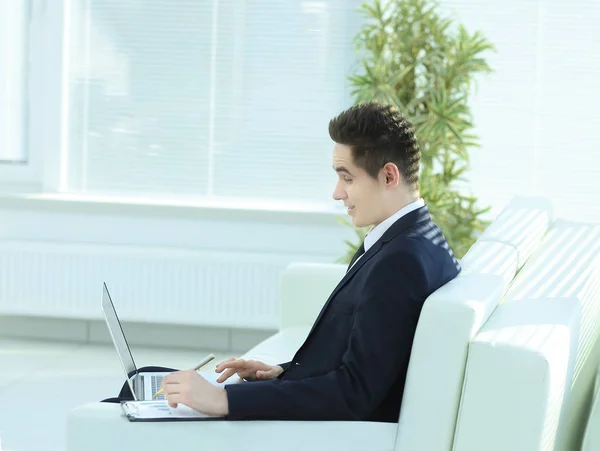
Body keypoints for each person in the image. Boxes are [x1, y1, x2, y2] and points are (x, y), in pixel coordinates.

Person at [104, 102, 461, 422]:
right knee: (145, 383)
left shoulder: (402, 260)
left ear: (388, 176)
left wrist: (224, 400)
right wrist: (279, 373)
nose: (337, 193)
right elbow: (368, 363)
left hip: (321, 428)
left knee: (131, 402)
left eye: (346, 177)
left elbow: (356, 394)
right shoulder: (407, 239)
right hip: (308, 394)